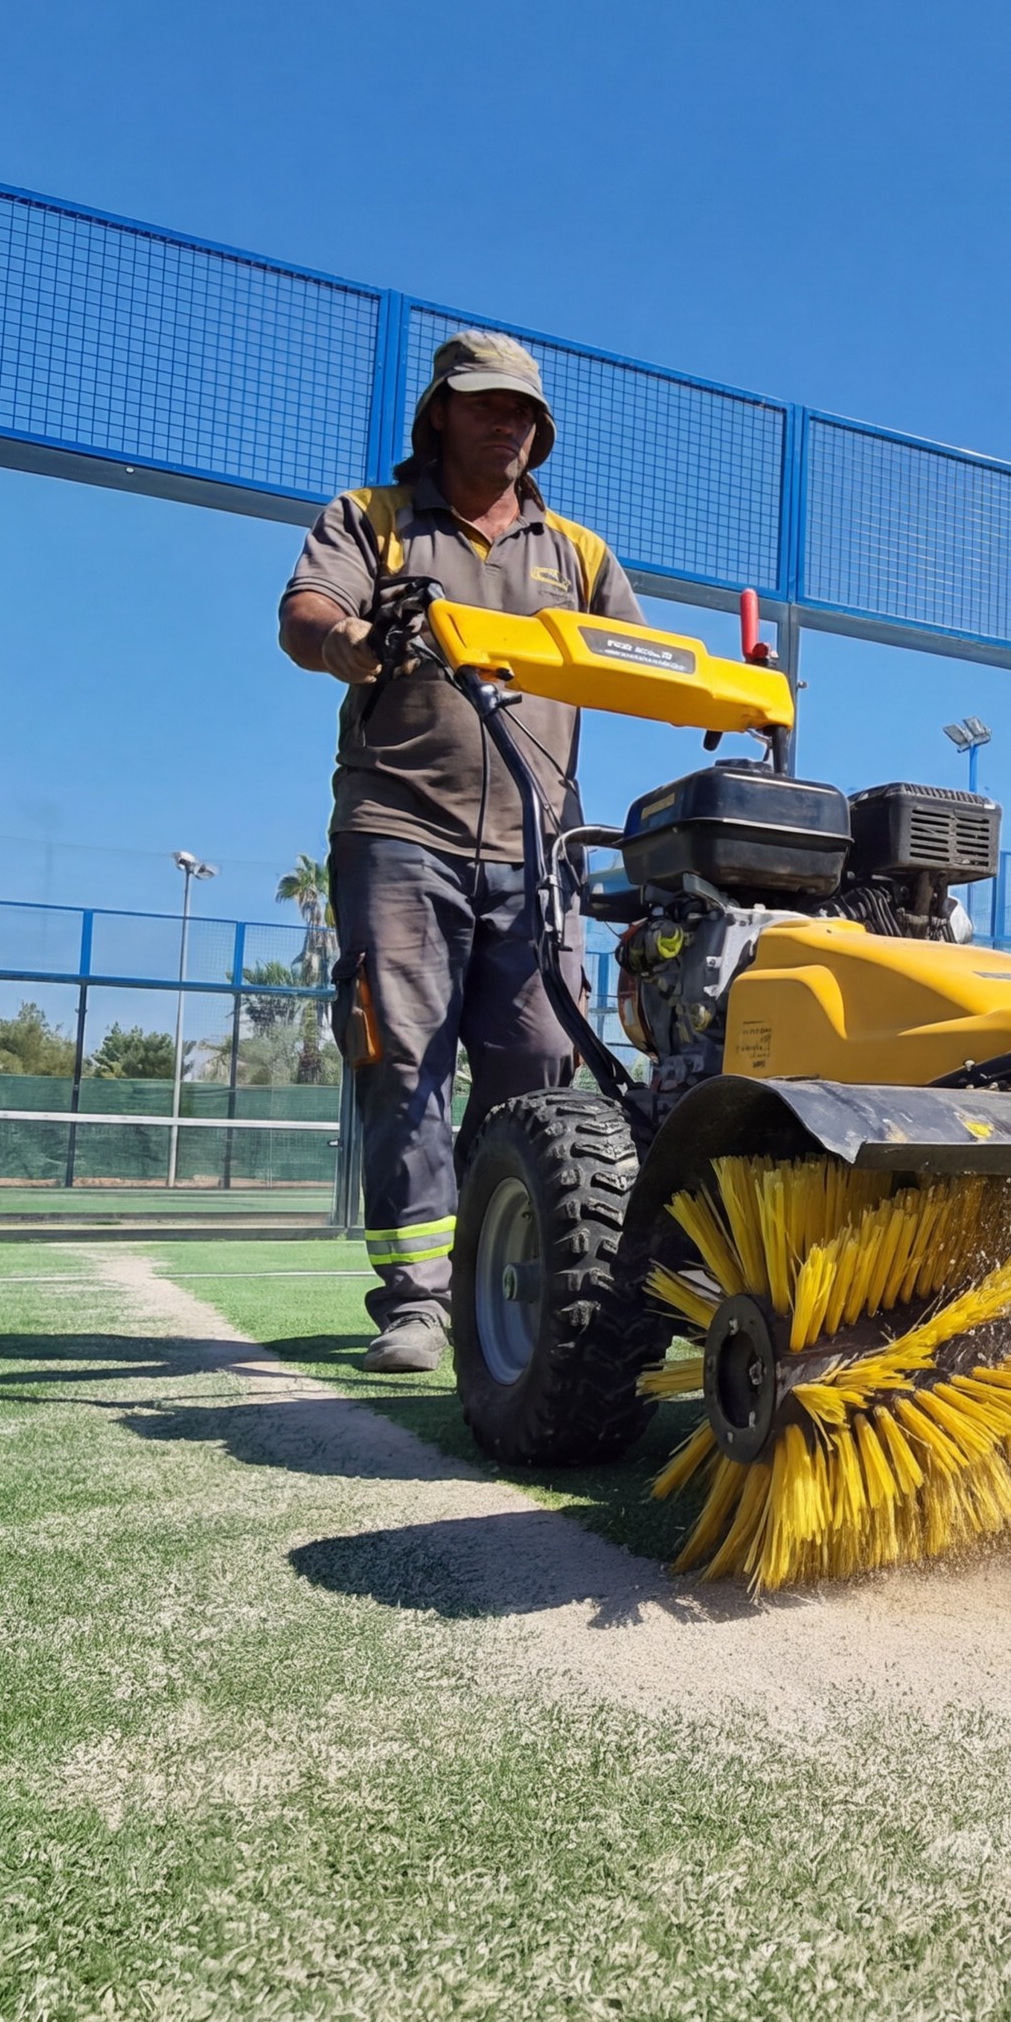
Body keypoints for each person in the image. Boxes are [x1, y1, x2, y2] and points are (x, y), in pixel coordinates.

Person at [277, 330, 641, 1373]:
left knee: (539, 1066)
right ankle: (415, 1300)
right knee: (405, 1060)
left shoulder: (578, 553)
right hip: (401, 826)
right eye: (488, 404)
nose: (509, 422)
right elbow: (308, 617)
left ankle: (493, 1261)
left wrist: (733, 692)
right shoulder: (373, 519)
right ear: (440, 410)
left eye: (524, 410)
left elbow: (639, 662)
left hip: (539, 842)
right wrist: (354, 643)